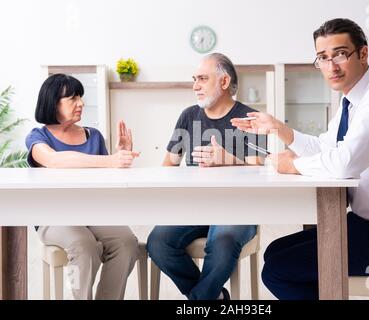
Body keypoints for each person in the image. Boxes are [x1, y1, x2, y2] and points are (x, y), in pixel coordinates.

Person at [231, 18, 369, 300]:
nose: (331, 66)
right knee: (275, 252)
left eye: (340, 54)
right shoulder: (350, 101)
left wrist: (293, 165)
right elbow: (324, 148)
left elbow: (343, 164)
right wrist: (280, 129)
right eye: (323, 58)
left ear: (363, 54)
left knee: (278, 269)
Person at [147, 53, 266, 300]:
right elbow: (170, 162)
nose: (195, 86)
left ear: (224, 82)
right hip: (195, 205)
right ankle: (214, 297)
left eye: (202, 78)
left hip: (238, 207)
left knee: (222, 241)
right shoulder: (188, 116)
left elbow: (262, 168)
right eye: (194, 79)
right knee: (158, 241)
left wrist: (226, 159)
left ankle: (199, 302)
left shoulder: (251, 118)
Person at [25, 73, 140, 299]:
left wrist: (120, 158)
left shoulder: (94, 136)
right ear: (53, 102)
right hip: (53, 217)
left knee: (127, 243)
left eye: (81, 97)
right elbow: (55, 161)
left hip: (92, 213)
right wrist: (110, 161)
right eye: (73, 98)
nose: (81, 103)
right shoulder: (38, 137)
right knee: (83, 245)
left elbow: (107, 179)